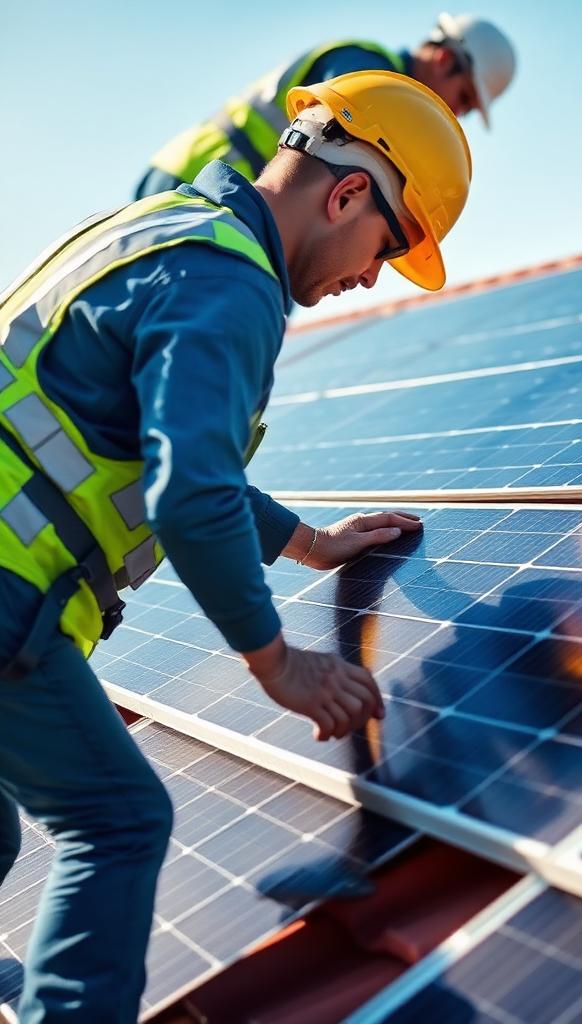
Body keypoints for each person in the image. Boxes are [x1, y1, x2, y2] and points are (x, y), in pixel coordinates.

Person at [0, 70, 471, 1022]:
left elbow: (136, 448)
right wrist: (275, 661)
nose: (369, 278)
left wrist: (308, 543)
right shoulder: (231, 286)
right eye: (387, 247)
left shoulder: (165, 230)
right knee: (119, 822)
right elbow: (192, 493)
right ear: (346, 194)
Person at [135, 11, 514, 198]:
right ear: (446, 60)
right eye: (464, 98)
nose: (457, 113)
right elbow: (345, 143)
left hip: (215, 175)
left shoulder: (377, 76)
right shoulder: (367, 70)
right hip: (205, 172)